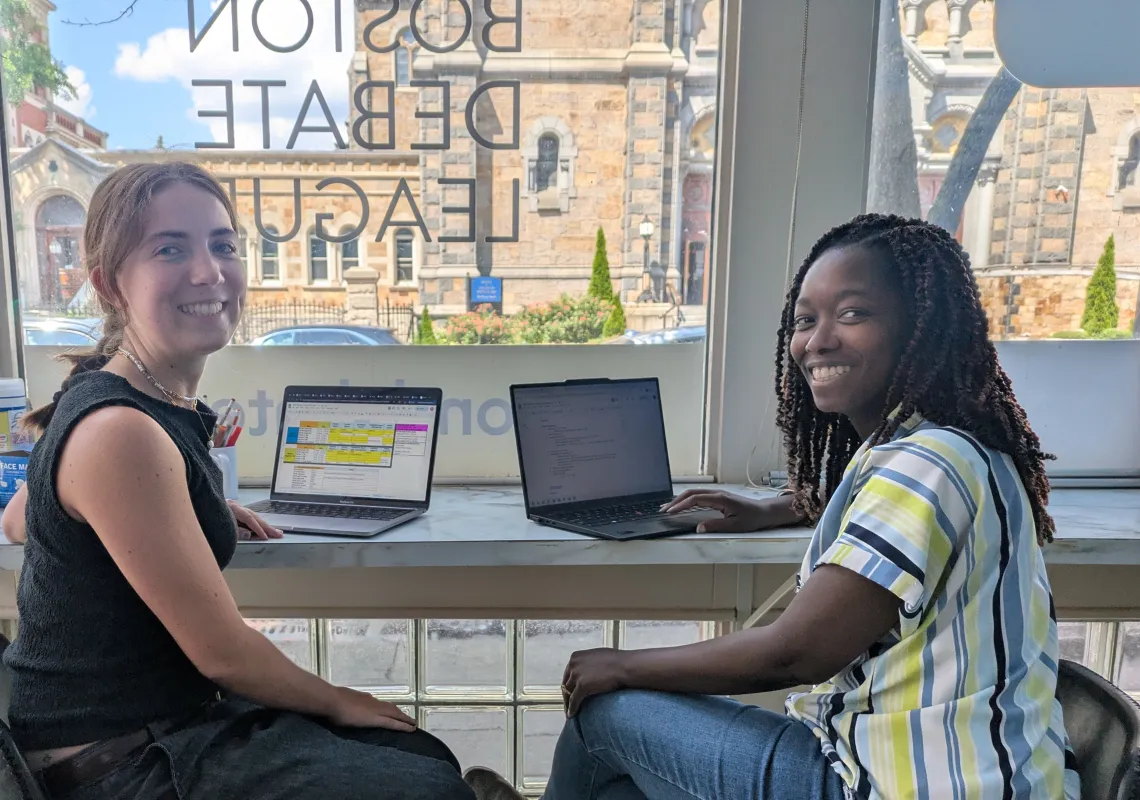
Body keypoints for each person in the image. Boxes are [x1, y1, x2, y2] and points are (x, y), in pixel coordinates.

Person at [462, 214, 1080, 800]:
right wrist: (783, 507)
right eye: (805, 320)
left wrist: (624, 664)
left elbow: (798, 650)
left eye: (853, 313)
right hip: (980, 772)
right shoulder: (948, 448)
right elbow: (881, 521)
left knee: (607, 715)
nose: (818, 340)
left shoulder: (924, 466)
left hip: (896, 784)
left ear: (925, 327)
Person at [3, 163, 474, 800]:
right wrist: (336, 698)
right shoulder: (120, 428)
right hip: (116, 761)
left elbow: (20, 516)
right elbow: (223, 653)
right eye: (170, 249)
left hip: (160, 726)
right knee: (426, 784)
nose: (209, 271)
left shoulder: (127, 402)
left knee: (412, 752)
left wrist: (178, 509)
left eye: (223, 245)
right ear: (109, 285)